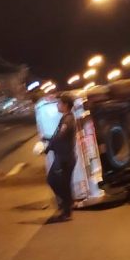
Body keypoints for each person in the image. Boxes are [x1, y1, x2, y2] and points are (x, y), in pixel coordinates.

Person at [44, 93, 77, 222]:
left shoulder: (68, 120)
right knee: (64, 184)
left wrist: (48, 146)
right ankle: (67, 208)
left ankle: (67, 206)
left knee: (54, 180)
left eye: (59, 103)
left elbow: (60, 136)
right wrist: (48, 142)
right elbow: (57, 137)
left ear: (65, 105)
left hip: (65, 159)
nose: (57, 105)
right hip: (64, 157)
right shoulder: (66, 118)